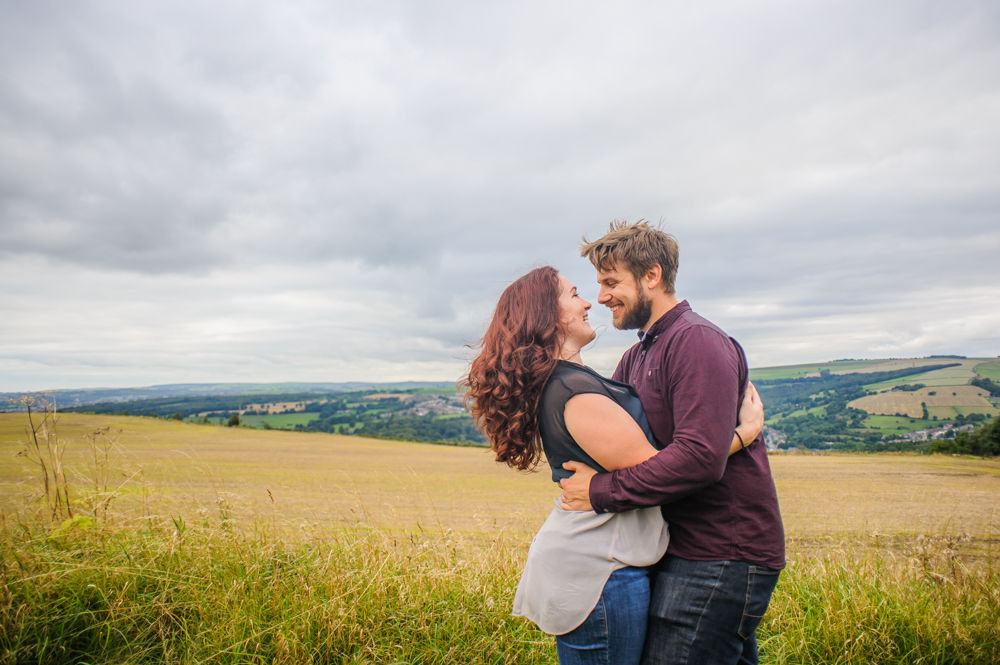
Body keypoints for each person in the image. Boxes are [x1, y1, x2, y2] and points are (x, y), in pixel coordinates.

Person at [463, 265, 765, 665]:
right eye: (574, 294)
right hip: (601, 571)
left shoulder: (574, 381)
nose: (590, 302)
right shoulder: (575, 392)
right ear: (548, 316)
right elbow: (667, 469)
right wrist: (744, 433)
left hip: (604, 561)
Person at [559, 221, 785, 665]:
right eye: (599, 284)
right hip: (681, 547)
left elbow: (699, 459)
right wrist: (740, 436)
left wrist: (600, 492)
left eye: (611, 283)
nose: (601, 297)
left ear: (652, 276)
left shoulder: (697, 342)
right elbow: (623, 447)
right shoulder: (637, 355)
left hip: (721, 551)